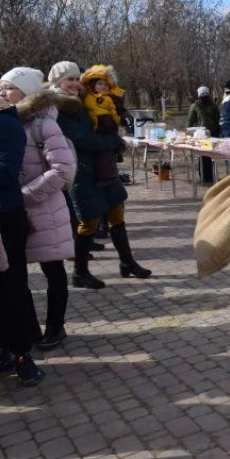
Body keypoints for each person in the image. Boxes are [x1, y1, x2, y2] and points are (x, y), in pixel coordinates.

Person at [49, 61, 152, 288]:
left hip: (103, 167)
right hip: (83, 172)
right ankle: (80, 272)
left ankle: (127, 263)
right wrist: (112, 142)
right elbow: (81, 139)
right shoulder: (59, 108)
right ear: (58, 82)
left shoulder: (83, 100)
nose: (74, 83)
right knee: (89, 222)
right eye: (69, 79)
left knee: (117, 214)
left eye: (77, 79)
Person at [0, 68, 76, 350]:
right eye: (1, 88)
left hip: (44, 210)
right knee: (17, 274)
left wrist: (25, 195)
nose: (3, 93)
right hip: (16, 213)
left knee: (53, 269)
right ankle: (29, 329)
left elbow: (62, 171)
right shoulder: (7, 124)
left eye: (9, 88)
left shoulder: (44, 125)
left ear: (27, 92)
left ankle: (56, 327)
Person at [0, 68, 45, 386]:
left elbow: (5, 172)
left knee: (10, 287)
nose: (2, 93)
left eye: (8, 89)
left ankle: (21, 354)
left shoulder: (8, 126)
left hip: (5, 215)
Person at [81, 67, 122, 186]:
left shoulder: (110, 99)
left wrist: (118, 120)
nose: (103, 86)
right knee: (101, 157)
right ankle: (105, 177)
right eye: (100, 84)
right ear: (93, 85)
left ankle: (109, 176)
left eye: (105, 84)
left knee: (108, 156)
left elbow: (114, 111)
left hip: (109, 129)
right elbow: (92, 110)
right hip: (97, 129)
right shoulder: (89, 98)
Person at [187, 86, 221, 183]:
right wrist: (188, 134)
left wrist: (217, 132)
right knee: (204, 155)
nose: (204, 97)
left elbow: (217, 119)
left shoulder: (212, 106)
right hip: (201, 135)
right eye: (203, 95)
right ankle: (205, 176)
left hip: (210, 135)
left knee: (208, 155)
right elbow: (190, 121)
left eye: (205, 95)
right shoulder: (196, 106)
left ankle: (208, 176)